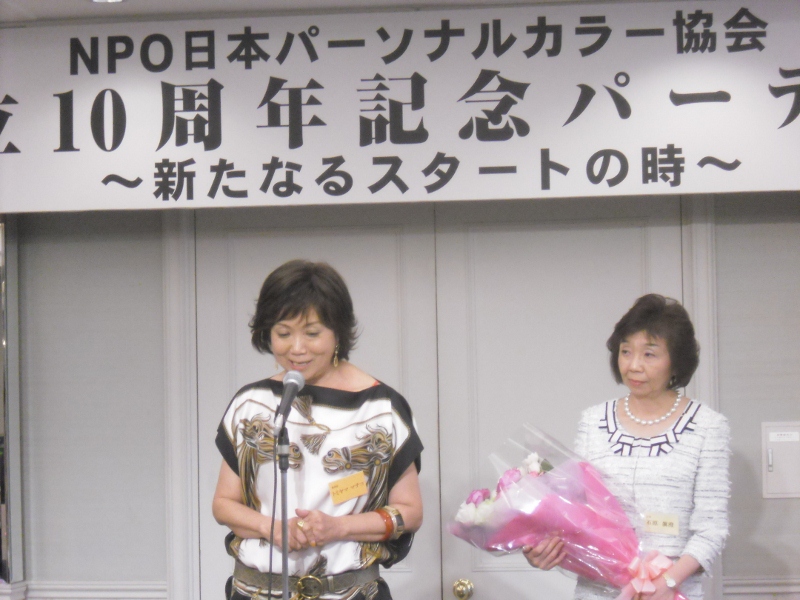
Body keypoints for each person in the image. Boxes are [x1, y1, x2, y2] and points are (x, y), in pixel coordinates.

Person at [212, 259, 423, 600]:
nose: (297, 348)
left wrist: (339, 527)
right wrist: (272, 528)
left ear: (338, 332)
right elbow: (223, 504)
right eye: (283, 333)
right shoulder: (251, 404)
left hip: (351, 592)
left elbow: (410, 512)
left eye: (312, 333)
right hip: (255, 590)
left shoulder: (380, 409)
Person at [523, 294, 730, 600]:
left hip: (672, 593)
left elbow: (711, 530)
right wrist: (542, 546)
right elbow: (576, 513)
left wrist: (667, 583)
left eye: (649, 354)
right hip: (597, 591)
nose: (633, 366)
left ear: (677, 361)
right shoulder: (593, 421)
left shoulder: (707, 426)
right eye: (625, 352)